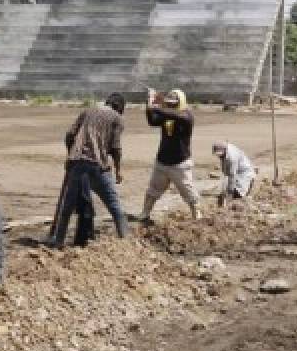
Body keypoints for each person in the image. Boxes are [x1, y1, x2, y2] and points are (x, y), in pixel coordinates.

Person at [48, 93, 129, 247]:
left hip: (77, 163)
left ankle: (58, 241)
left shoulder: (88, 111)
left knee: (67, 207)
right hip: (97, 165)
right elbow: (116, 147)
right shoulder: (117, 118)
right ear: (119, 107)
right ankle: (126, 240)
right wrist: (118, 170)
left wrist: (69, 156)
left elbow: (70, 135)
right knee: (114, 206)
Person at [138, 87, 202, 222]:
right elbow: (152, 121)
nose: (171, 104)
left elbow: (172, 114)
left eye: (174, 103)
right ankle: (145, 213)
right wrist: (149, 102)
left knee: (187, 190)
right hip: (162, 161)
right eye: (169, 102)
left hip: (180, 163)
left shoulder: (186, 116)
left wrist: (153, 106)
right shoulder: (166, 115)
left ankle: (197, 215)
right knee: (153, 190)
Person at [214, 141, 255, 206]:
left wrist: (230, 192)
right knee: (231, 187)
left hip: (244, 173)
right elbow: (225, 167)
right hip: (238, 170)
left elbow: (232, 175)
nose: (219, 157)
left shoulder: (232, 157)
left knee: (238, 193)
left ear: (224, 150)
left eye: (220, 154)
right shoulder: (225, 152)